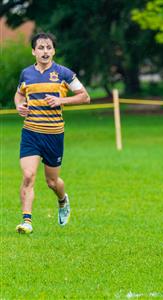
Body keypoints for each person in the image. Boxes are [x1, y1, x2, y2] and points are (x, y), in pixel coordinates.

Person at [14, 32, 90, 234]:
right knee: (29, 176)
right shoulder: (26, 74)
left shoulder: (64, 73)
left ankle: (63, 200)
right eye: (41, 48)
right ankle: (27, 221)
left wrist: (61, 101)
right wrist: (19, 106)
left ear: (54, 51)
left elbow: (85, 97)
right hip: (30, 133)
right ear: (33, 51)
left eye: (48, 47)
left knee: (52, 182)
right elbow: (19, 94)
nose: (45, 51)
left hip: (54, 134)